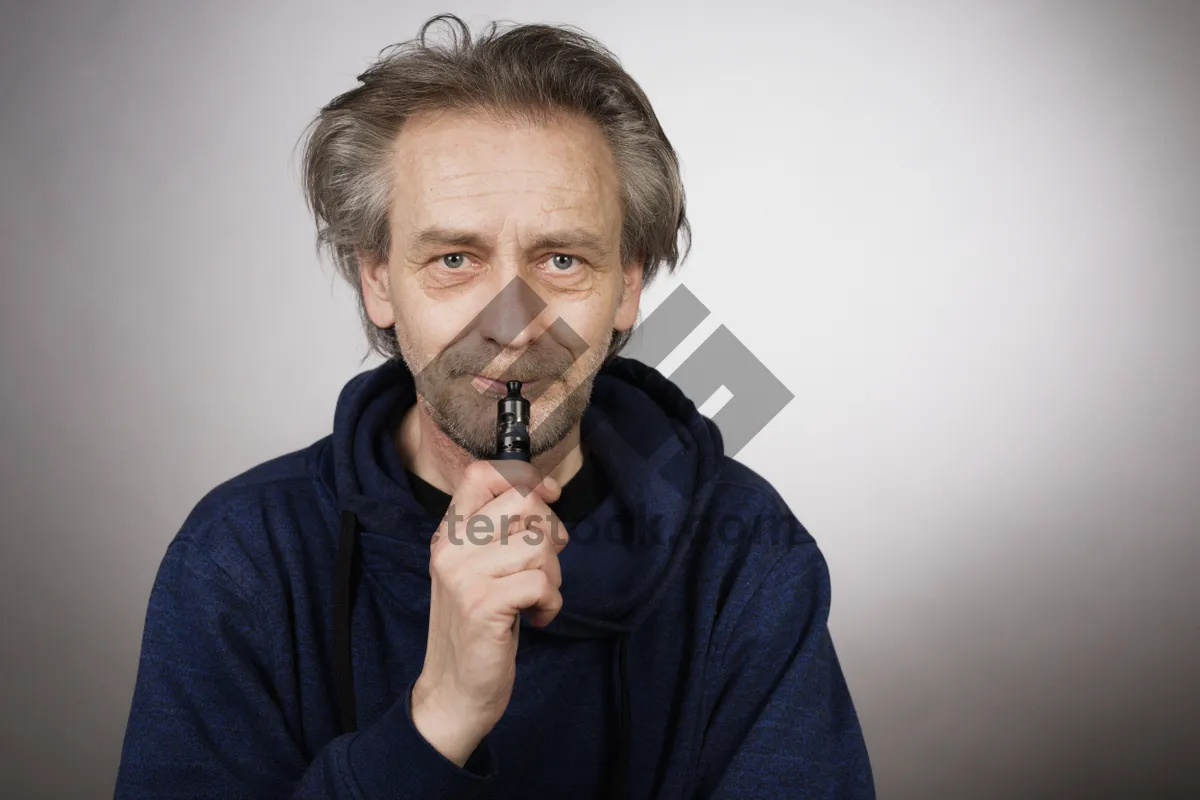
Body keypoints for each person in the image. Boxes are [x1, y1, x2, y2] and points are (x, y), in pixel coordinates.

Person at [114, 14, 875, 800]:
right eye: (453, 258)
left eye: (561, 258)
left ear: (628, 286)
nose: (511, 324)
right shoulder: (241, 555)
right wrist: (438, 715)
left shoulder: (746, 554)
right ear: (378, 281)